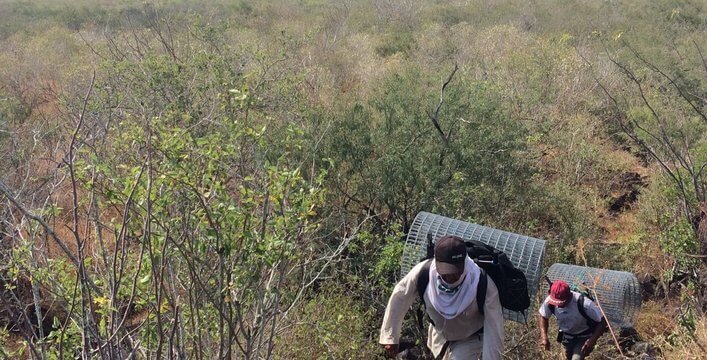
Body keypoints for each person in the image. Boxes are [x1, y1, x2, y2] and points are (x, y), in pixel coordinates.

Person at [379, 235, 504, 360]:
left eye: (455, 273)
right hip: (439, 336)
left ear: (464, 264)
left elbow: (494, 329)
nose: (450, 277)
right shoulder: (424, 272)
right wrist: (390, 336)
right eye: (445, 273)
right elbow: (400, 295)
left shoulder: (482, 284)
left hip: (470, 339)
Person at [538, 280, 607, 360]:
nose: (559, 306)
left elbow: (603, 320)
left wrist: (592, 340)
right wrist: (544, 337)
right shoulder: (550, 301)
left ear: (569, 296)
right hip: (566, 337)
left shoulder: (584, 303)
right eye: (556, 303)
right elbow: (543, 316)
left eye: (561, 303)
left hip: (584, 337)